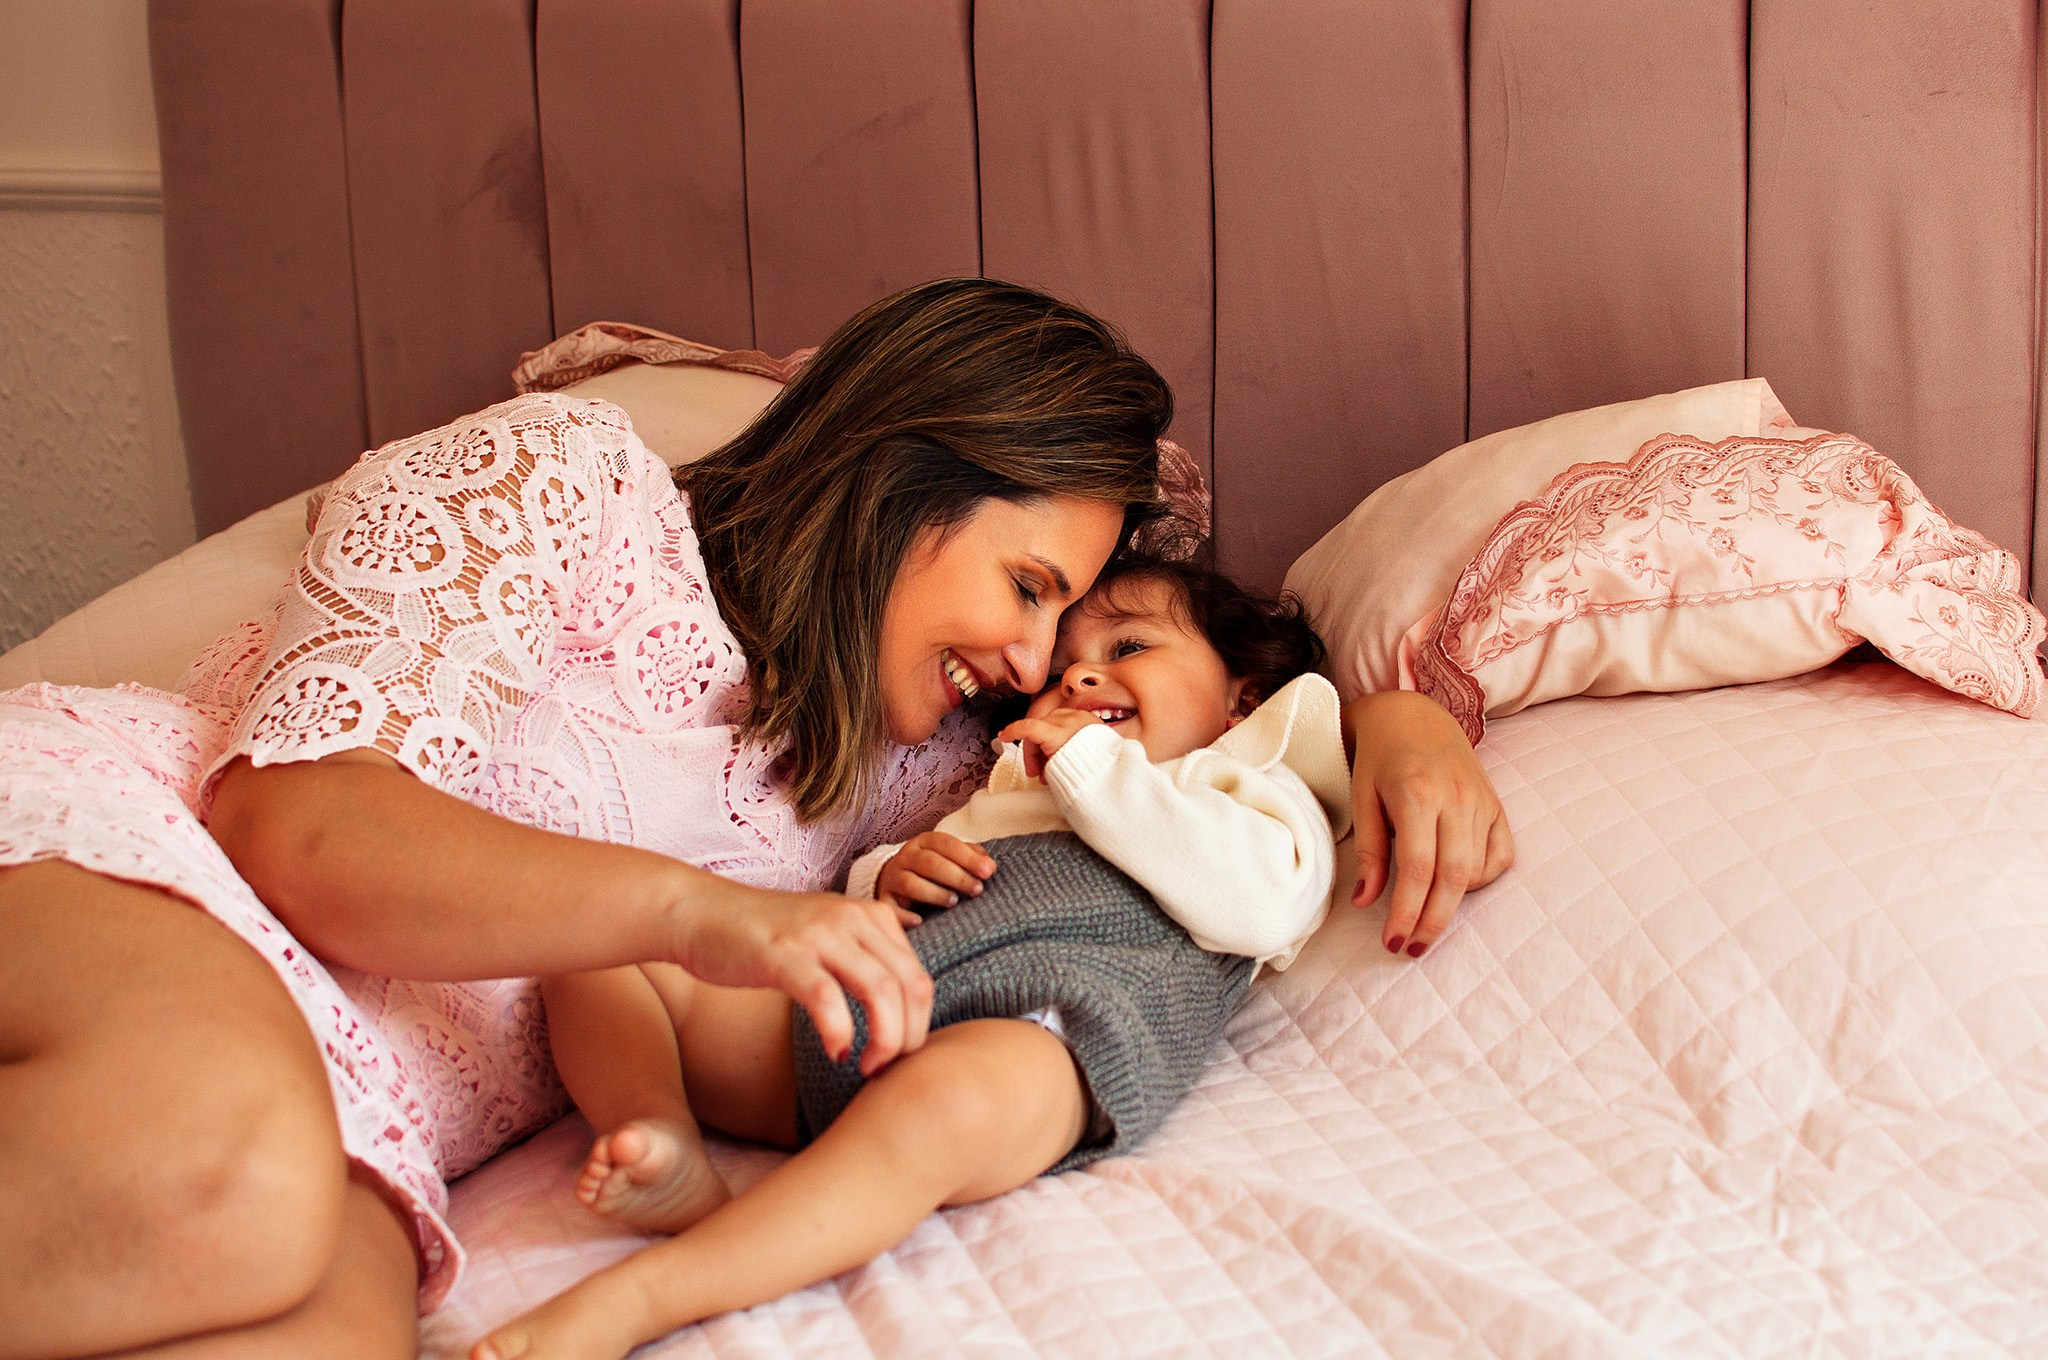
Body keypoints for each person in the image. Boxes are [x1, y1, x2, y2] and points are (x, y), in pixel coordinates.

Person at [0, 278, 1511, 1359]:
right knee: (228, 1177)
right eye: (1027, 587)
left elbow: (1205, 697)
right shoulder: (564, 481)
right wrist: (703, 914)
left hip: (367, 1095)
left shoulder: (929, 773)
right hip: (138, 858)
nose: (1033, 659)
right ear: (899, 474)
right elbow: (304, 830)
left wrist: (1397, 718)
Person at [472, 555, 1353, 1360]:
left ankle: (642, 1299)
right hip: (868, 1013)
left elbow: (1260, 903)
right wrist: (892, 875)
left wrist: (1093, 768)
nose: (1080, 677)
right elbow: (877, 896)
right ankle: (658, 1136)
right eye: (1061, 672)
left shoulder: (1256, 786)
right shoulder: (1019, 788)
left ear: (1243, 698)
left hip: (1048, 1036)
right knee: (605, 951)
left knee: (948, 1104)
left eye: (1129, 647)